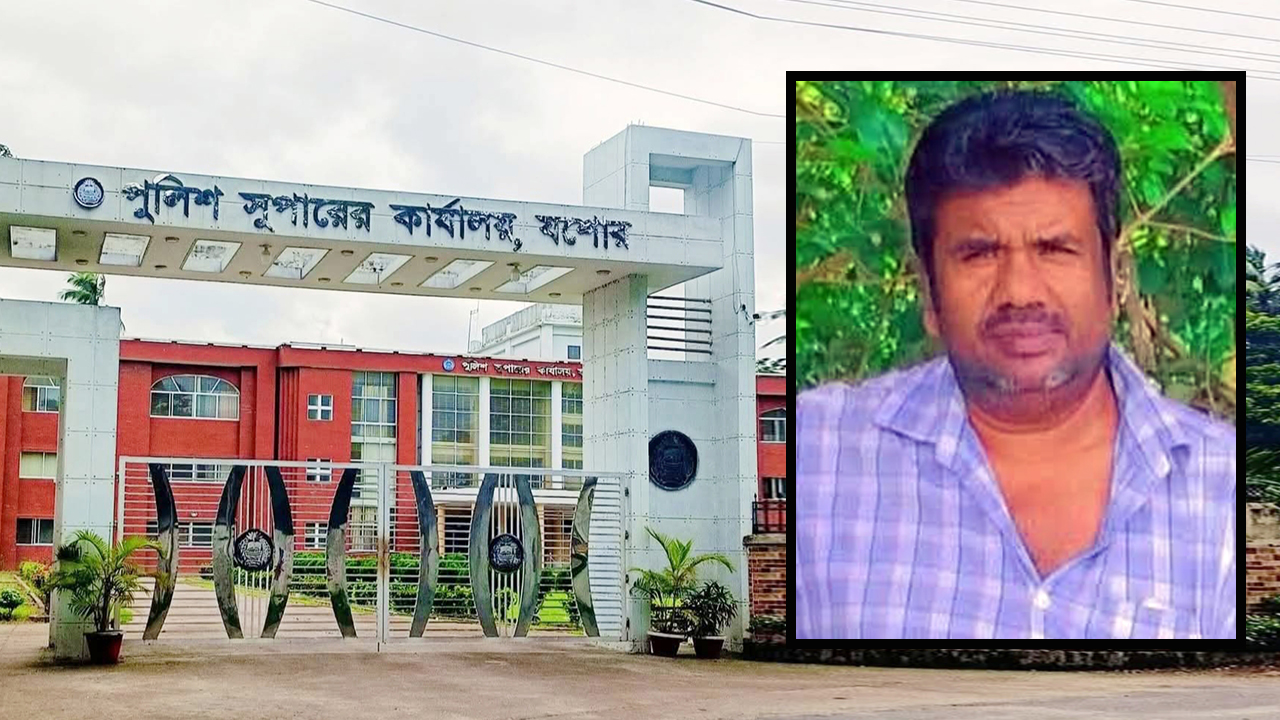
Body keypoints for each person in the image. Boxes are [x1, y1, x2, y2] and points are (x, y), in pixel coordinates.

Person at [796, 89, 1235, 639]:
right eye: (979, 254)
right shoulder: (817, 455)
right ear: (929, 292)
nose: (1020, 292)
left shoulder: (1226, 489)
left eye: (1055, 249)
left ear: (1116, 277)